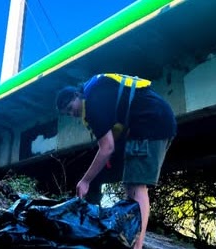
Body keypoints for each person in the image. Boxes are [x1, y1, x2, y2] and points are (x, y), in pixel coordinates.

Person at [56, 73, 177, 249]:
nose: (71, 113)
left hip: (151, 123)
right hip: (149, 123)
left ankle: (137, 245)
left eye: (69, 107)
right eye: (67, 113)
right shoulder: (96, 94)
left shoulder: (92, 104)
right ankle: (130, 236)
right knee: (130, 185)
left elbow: (107, 148)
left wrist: (85, 181)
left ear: (76, 95)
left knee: (136, 186)